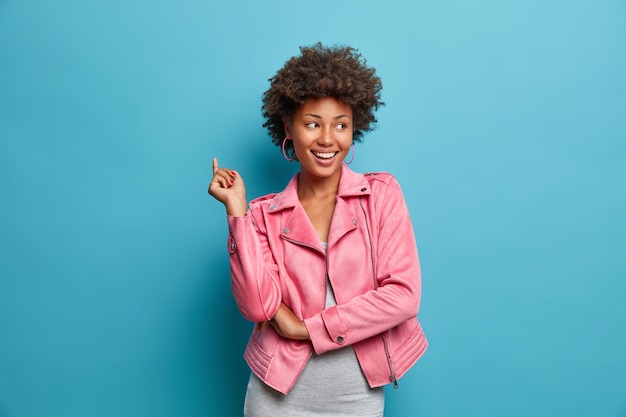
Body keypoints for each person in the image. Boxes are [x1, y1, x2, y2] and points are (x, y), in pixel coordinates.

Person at [208, 43, 427, 417]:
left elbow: (403, 296)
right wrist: (237, 213)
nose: (328, 139)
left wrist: (306, 329)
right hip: (276, 397)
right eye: (313, 123)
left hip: (355, 399)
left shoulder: (381, 195)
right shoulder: (262, 216)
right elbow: (258, 306)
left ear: (354, 128)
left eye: (340, 125)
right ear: (289, 129)